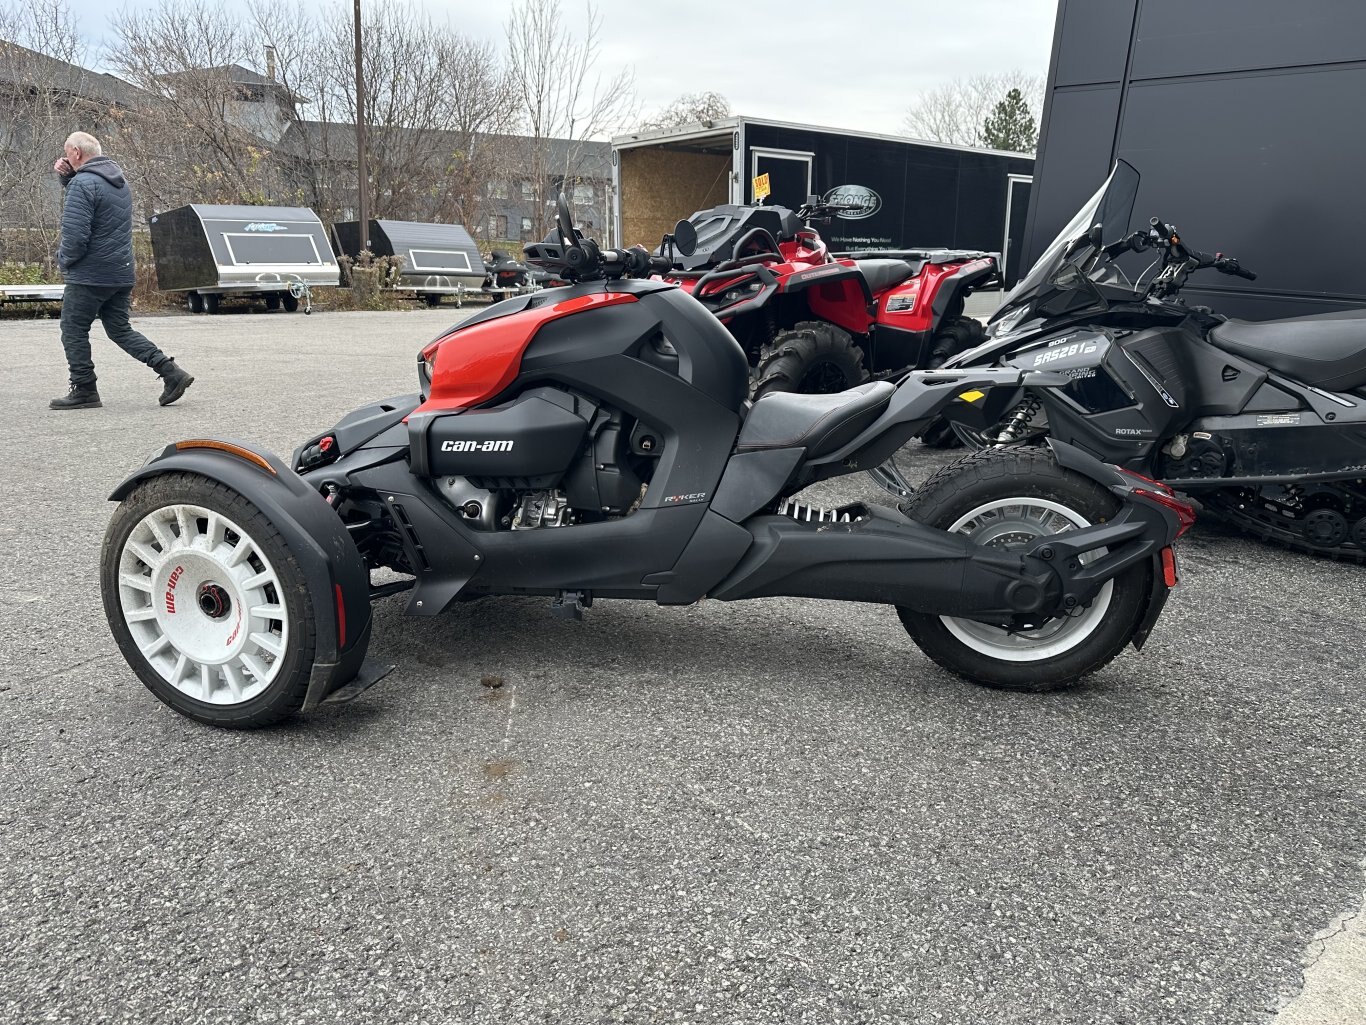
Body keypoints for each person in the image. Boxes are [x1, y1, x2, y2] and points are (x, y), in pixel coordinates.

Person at [49, 131, 194, 410]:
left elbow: (76, 234)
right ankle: (171, 373)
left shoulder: (83, 184)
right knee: (119, 329)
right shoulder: (119, 182)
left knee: (73, 329)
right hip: (120, 271)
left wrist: (65, 261)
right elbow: (98, 207)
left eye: (68, 153)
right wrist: (68, 178)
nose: (66, 158)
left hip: (91, 273)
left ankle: (84, 389)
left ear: (76, 153)